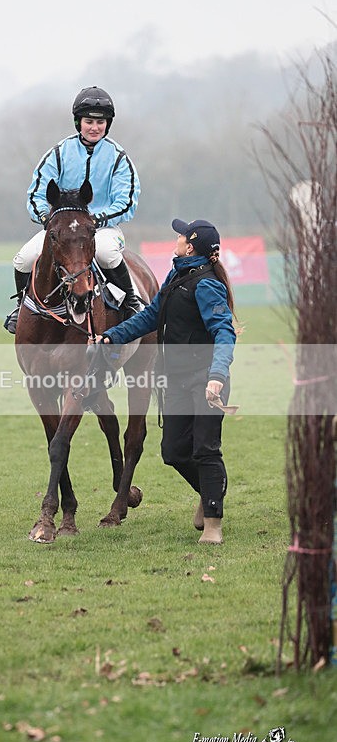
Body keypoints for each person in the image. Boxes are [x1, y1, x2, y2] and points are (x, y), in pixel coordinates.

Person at [92, 219, 237, 544]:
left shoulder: (207, 285)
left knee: (205, 449)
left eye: (182, 235)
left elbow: (224, 332)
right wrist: (113, 335)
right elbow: (149, 316)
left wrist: (217, 376)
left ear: (191, 246)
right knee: (173, 451)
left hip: (206, 379)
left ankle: (213, 525)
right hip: (176, 379)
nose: (178, 237)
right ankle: (211, 489)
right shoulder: (175, 276)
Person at [4, 86, 142, 333]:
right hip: (61, 228)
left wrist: (98, 219)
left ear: (107, 124)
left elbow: (127, 201)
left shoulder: (118, 157)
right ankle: (21, 308)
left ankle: (132, 303)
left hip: (103, 228)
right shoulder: (59, 153)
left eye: (100, 122)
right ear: (78, 122)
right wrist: (46, 218)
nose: (94, 127)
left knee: (107, 253)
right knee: (23, 260)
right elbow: (36, 194)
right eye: (89, 121)